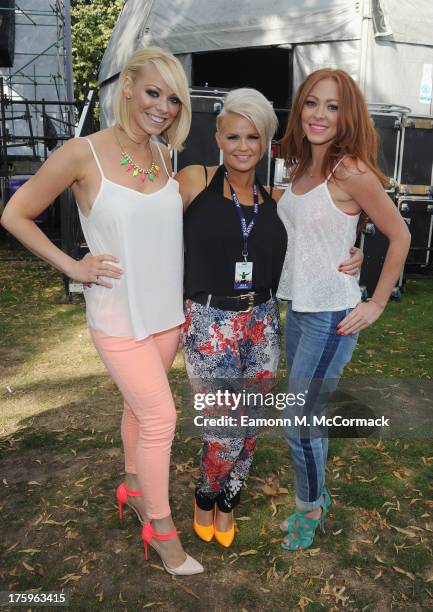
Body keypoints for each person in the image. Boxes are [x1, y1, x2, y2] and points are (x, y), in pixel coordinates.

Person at [0, 47, 204, 575]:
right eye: (153, 92)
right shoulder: (81, 153)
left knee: (140, 409)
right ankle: (160, 529)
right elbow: (16, 214)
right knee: (162, 416)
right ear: (129, 88)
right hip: (117, 316)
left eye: (173, 98)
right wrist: (72, 265)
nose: (162, 106)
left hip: (165, 315)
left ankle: (133, 488)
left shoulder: (161, 157)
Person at [176, 88, 364, 548]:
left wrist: (358, 253)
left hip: (262, 321)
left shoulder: (276, 198)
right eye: (234, 135)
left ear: (266, 144)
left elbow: (330, 229)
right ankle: (206, 494)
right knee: (223, 427)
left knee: (252, 421)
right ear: (218, 136)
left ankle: (230, 499)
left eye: (253, 137)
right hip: (207, 324)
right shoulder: (193, 180)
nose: (243, 146)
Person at [276, 68, 411, 551]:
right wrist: (350, 246)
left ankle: (309, 507)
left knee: (299, 422)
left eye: (332, 106)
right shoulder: (299, 168)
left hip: (333, 315)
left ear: (347, 114)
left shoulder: (350, 169)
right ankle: (316, 494)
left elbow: (400, 235)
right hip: (299, 310)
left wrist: (376, 301)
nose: (320, 115)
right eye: (312, 103)